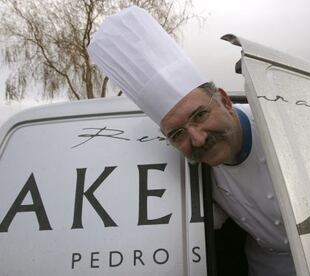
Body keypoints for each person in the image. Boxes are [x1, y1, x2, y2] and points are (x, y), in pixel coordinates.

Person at [88, 6, 296, 276]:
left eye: (199, 115)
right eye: (177, 134)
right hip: (262, 267)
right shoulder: (186, 171)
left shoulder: (281, 127)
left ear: (224, 100)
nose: (197, 139)